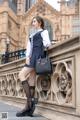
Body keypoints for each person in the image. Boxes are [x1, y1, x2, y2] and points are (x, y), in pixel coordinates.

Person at [16, 16, 51, 117]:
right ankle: (29, 108)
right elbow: (29, 47)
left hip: (37, 57)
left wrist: (45, 44)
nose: (33, 23)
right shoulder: (32, 34)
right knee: (31, 80)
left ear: (39, 22)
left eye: (34, 21)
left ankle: (29, 104)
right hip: (32, 57)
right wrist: (27, 56)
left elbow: (47, 43)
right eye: (32, 21)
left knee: (21, 74)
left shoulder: (44, 32)